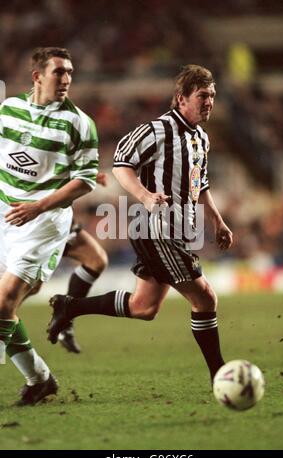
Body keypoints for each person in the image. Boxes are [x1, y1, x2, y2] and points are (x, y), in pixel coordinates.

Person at [47, 64, 233, 383]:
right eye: (202, 95)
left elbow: (199, 184)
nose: (209, 102)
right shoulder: (156, 130)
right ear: (181, 98)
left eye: (212, 96)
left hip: (179, 232)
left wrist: (217, 220)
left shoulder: (201, 138)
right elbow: (121, 164)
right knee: (205, 299)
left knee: (144, 307)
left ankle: (70, 306)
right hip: (156, 229)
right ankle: (221, 375)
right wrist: (146, 196)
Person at [0, 47, 99, 405]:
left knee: (3, 303)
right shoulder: (8, 110)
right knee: (3, 309)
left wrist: (37, 206)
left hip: (43, 223)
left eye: (70, 72)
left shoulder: (79, 123)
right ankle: (40, 379)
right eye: (59, 72)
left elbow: (85, 181)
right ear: (37, 76)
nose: (67, 78)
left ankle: (38, 378)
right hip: (4, 216)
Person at [26, 173, 108, 354]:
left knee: (95, 260)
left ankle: (65, 320)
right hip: (37, 218)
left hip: (55, 215)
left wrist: (87, 175)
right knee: (28, 286)